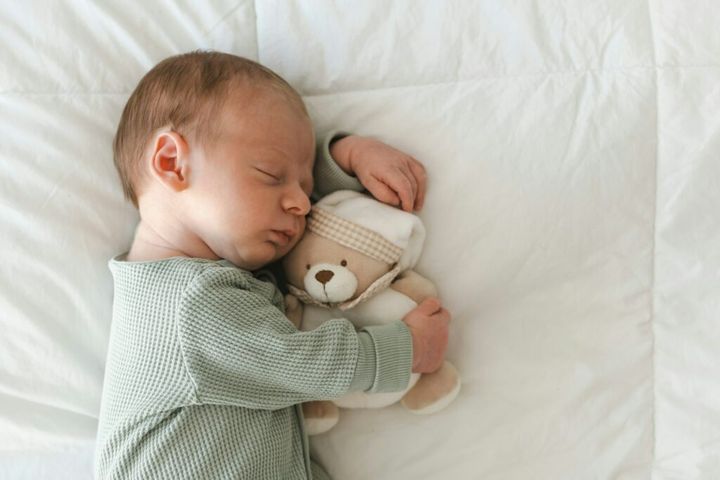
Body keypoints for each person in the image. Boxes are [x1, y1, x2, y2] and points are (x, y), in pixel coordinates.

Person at [95, 50, 451, 480]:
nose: (301, 203)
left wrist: (346, 160)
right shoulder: (190, 302)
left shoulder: (204, 276)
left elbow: (310, 218)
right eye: (269, 174)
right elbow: (299, 363)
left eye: (307, 186)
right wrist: (403, 350)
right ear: (172, 163)